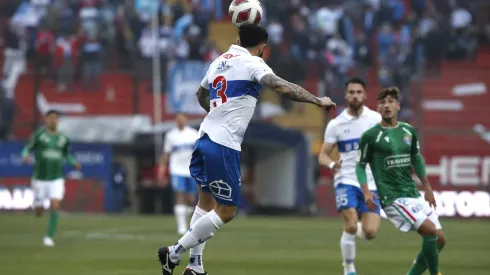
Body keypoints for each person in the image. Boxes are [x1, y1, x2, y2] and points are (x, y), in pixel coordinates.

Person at [157, 23, 336, 275]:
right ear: (262, 47)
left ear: (239, 39)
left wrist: (218, 112)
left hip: (204, 137)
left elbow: (200, 94)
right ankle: (173, 252)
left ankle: (195, 265)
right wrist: (317, 100)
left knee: (205, 202)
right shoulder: (254, 64)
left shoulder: (218, 62)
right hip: (224, 144)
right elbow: (283, 88)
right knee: (227, 211)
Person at [356, 87, 446, 275]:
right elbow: (360, 165)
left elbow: (417, 158)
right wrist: (366, 191)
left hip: (413, 193)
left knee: (439, 240)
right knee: (429, 232)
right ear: (377, 108)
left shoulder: (408, 130)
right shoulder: (371, 136)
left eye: (390, 101)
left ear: (397, 105)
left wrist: (427, 188)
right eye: (382, 102)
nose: (386, 105)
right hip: (393, 197)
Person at [318, 77, 382, 275]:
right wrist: (331, 164)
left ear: (365, 95)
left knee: (370, 233)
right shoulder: (336, 124)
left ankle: (358, 229)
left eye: (358, 92)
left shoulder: (376, 120)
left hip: (371, 183)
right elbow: (322, 155)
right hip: (345, 179)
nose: (355, 96)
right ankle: (348, 268)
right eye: (351, 92)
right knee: (351, 225)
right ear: (346, 96)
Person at [21, 110, 81, 247]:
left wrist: (73, 162)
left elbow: (67, 155)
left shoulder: (63, 139)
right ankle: (37, 206)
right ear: (46, 120)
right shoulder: (39, 136)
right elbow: (27, 148)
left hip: (56, 178)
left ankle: (49, 237)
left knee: (55, 205)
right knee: (39, 211)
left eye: (55, 118)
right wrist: (25, 155)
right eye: (51, 118)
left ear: (58, 121)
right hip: (40, 178)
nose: (53, 120)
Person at [158, 113, 199, 235]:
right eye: (178, 119)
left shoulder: (193, 134)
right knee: (179, 194)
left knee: (191, 199)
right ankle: (181, 226)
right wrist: (162, 168)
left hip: (190, 170)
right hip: (176, 170)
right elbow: (166, 153)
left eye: (182, 119)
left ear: (186, 120)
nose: (180, 121)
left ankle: (186, 212)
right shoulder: (171, 135)